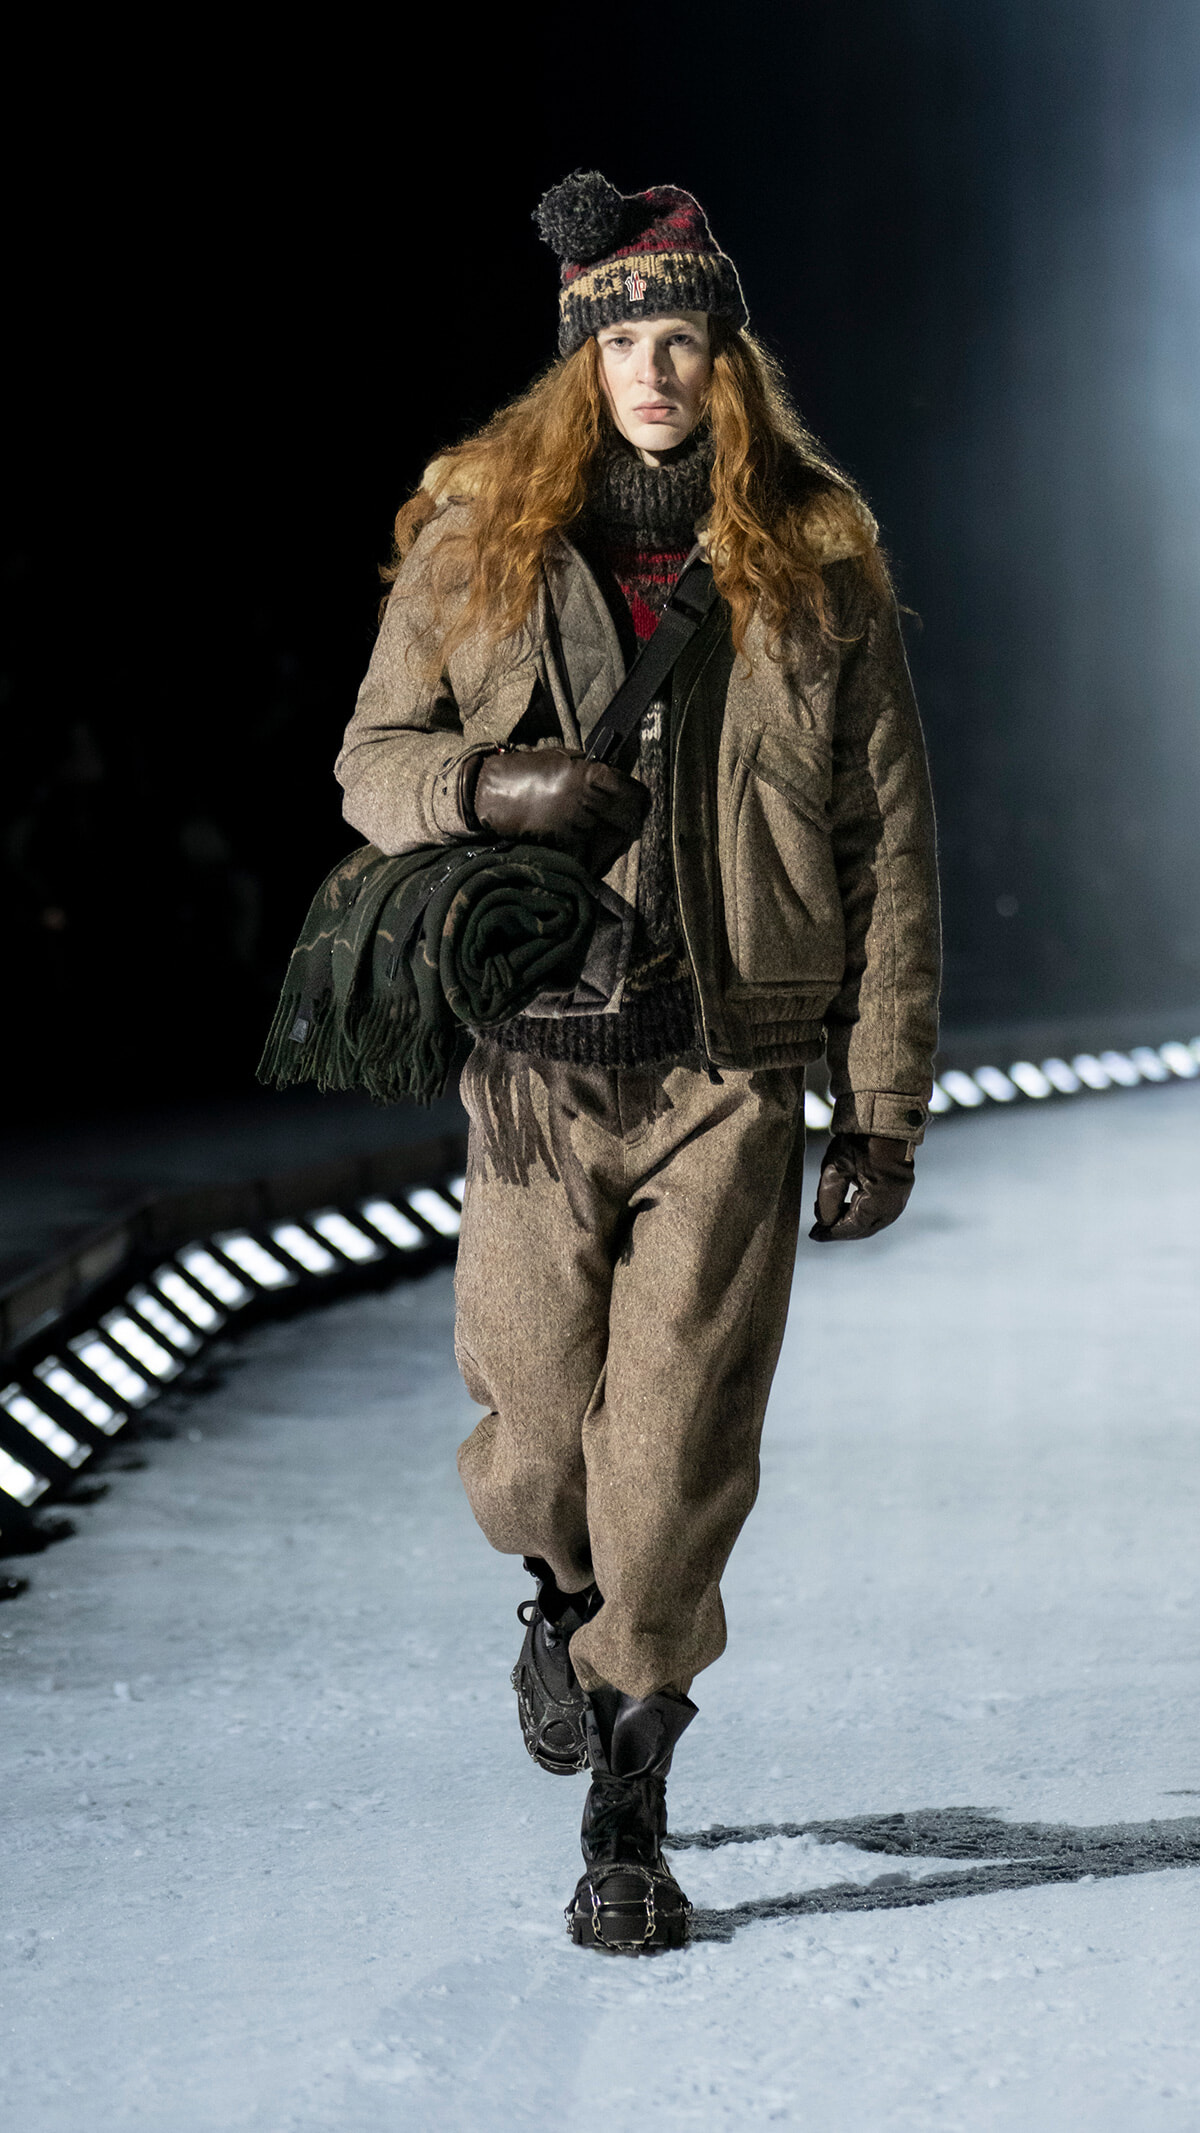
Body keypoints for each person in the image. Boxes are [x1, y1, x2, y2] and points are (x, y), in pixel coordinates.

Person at [335, 171, 940, 1955]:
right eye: (627, 337)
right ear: (582, 356)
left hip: (727, 1071)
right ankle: (562, 1598)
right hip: (530, 1071)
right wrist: (486, 788)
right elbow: (373, 757)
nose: (658, 368)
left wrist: (883, 1100)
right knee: (535, 1440)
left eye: (688, 337)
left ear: (727, 358)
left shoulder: (815, 551)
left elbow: (889, 840)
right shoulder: (478, 537)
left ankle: (629, 1804)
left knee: (671, 1458)